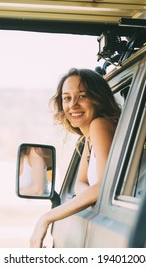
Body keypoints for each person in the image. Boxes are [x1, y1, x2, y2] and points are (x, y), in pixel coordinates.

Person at [29, 68, 121, 247]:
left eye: (82, 96)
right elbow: (80, 183)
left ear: (98, 99)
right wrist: (91, 193)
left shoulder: (99, 125)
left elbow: (104, 186)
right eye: (67, 98)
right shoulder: (88, 139)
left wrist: (46, 219)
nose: (73, 104)